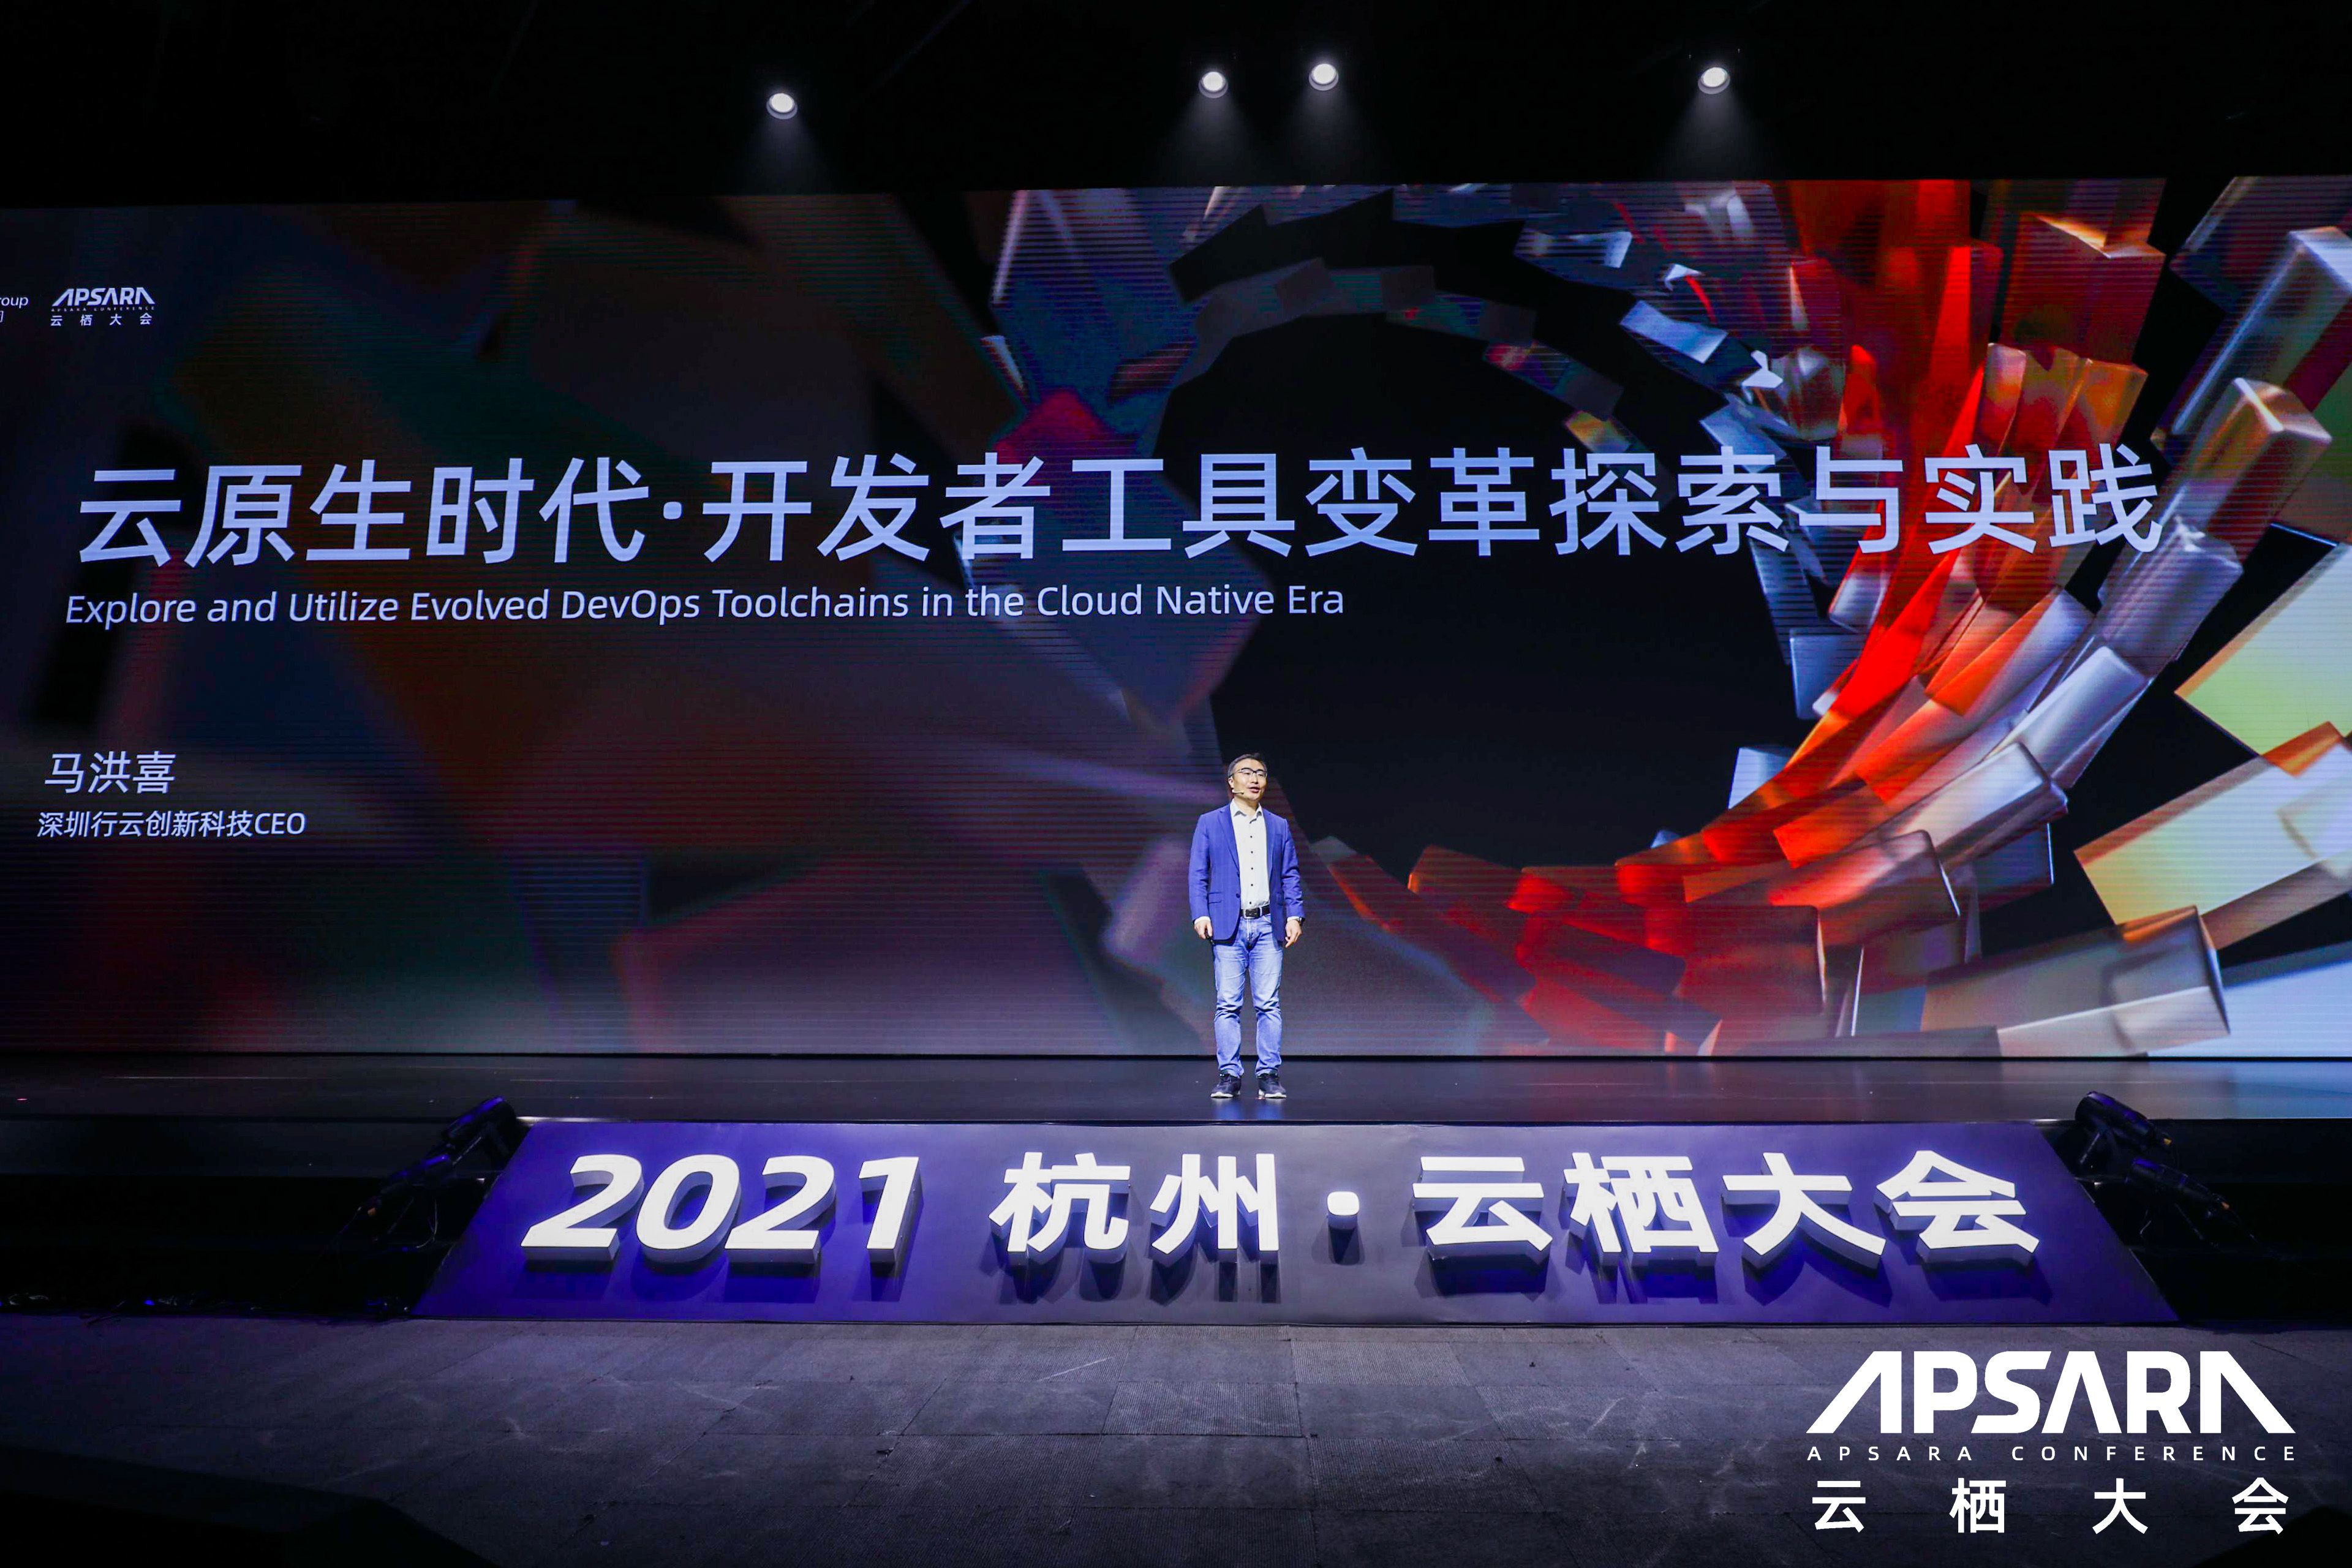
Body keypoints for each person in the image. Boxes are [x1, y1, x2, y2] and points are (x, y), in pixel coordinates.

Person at [1187, 752, 1304, 1100]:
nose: (1255, 779)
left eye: (1261, 773)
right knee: (1228, 1004)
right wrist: (1200, 913)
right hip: (1229, 924)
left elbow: (1290, 874)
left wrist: (1295, 915)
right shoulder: (1210, 823)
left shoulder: (1278, 826)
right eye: (1247, 772)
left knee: (1269, 1003)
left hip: (1269, 924)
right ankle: (1229, 1075)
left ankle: (1269, 1075)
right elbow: (1198, 873)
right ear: (1231, 781)